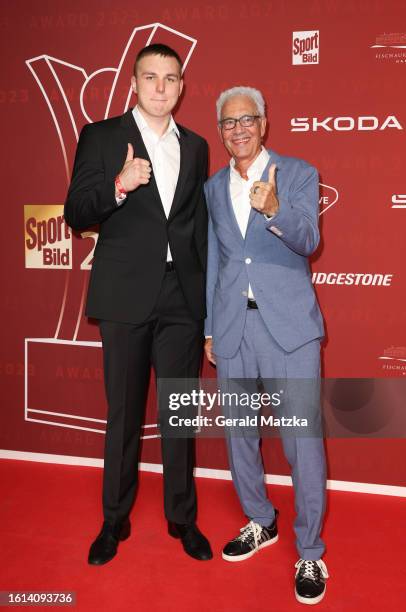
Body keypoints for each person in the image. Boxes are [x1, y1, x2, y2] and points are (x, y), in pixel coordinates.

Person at [64, 44, 212, 565]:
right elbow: (75, 210)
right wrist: (120, 188)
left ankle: (182, 517)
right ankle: (113, 520)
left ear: (182, 86)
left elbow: (196, 232)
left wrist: (206, 306)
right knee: (123, 415)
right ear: (133, 81)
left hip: (182, 299)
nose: (160, 87)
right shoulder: (102, 136)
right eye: (150, 77)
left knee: (179, 414)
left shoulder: (195, 147)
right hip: (125, 295)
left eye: (170, 79)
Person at [204, 86, 328, 604]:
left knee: (303, 443)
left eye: (247, 119)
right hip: (234, 326)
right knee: (239, 437)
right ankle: (261, 520)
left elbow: (310, 240)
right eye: (229, 123)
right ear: (221, 131)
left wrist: (275, 208)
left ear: (264, 123)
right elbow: (217, 257)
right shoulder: (213, 187)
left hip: (289, 329)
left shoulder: (297, 173)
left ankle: (310, 552)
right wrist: (209, 326)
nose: (239, 129)